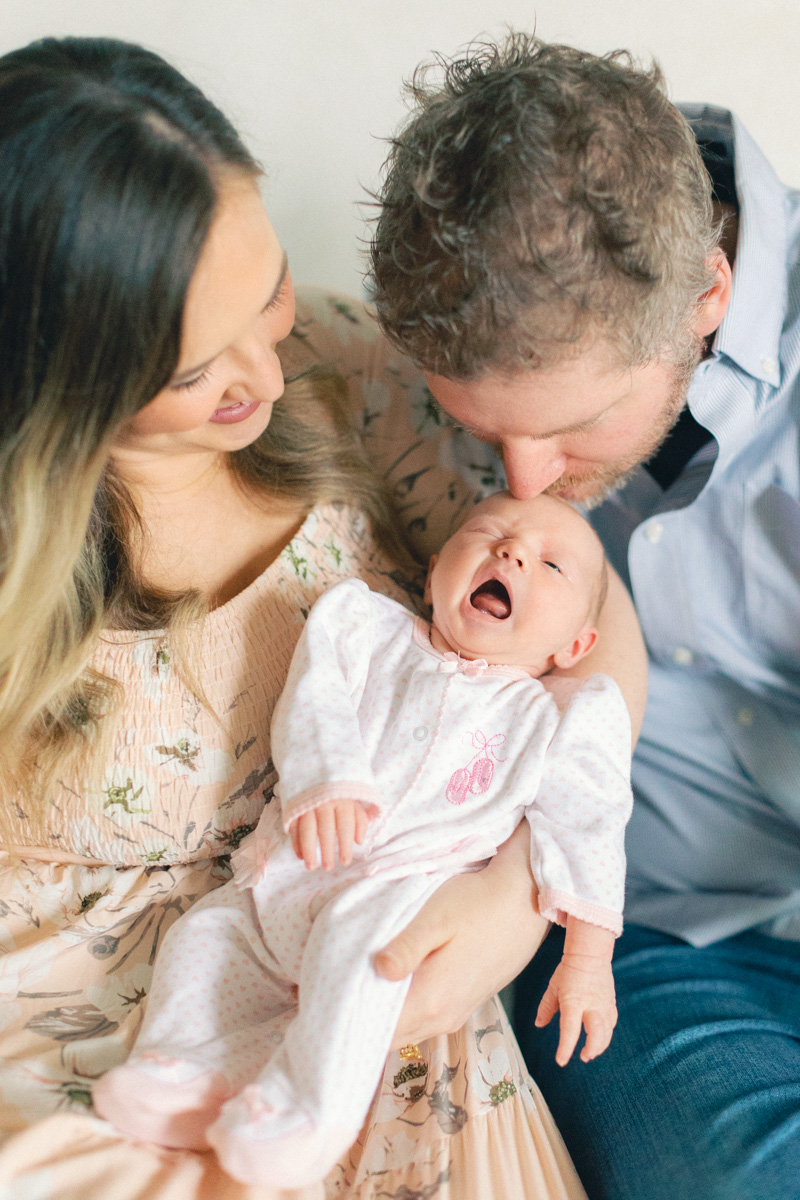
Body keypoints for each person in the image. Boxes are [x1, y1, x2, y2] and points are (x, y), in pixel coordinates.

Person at [0, 32, 620, 1200]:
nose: (267, 375)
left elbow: (584, 625)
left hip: (387, 982)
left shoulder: (344, 369)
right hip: (72, 1042)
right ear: (54, 378)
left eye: (266, 287)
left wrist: (521, 895)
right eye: (194, 374)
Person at [367, 30, 800, 1200]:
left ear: (706, 293)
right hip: (645, 936)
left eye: (570, 429)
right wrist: (520, 891)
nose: (523, 479)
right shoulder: (473, 347)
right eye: (483, 427)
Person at [94, 491, 630, 1188]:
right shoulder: (362, 625)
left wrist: (588, 958)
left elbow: (587, 822)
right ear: (436, 570)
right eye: (487, 532)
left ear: (576, 646)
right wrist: (328, 779)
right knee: (207, 938)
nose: (512, 551)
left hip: (396, 900)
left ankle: (306, 1111)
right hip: (284, 879)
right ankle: (185, 1072)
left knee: (361, 956)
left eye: (552, 565)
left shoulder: (555, 715)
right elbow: (317, 699)